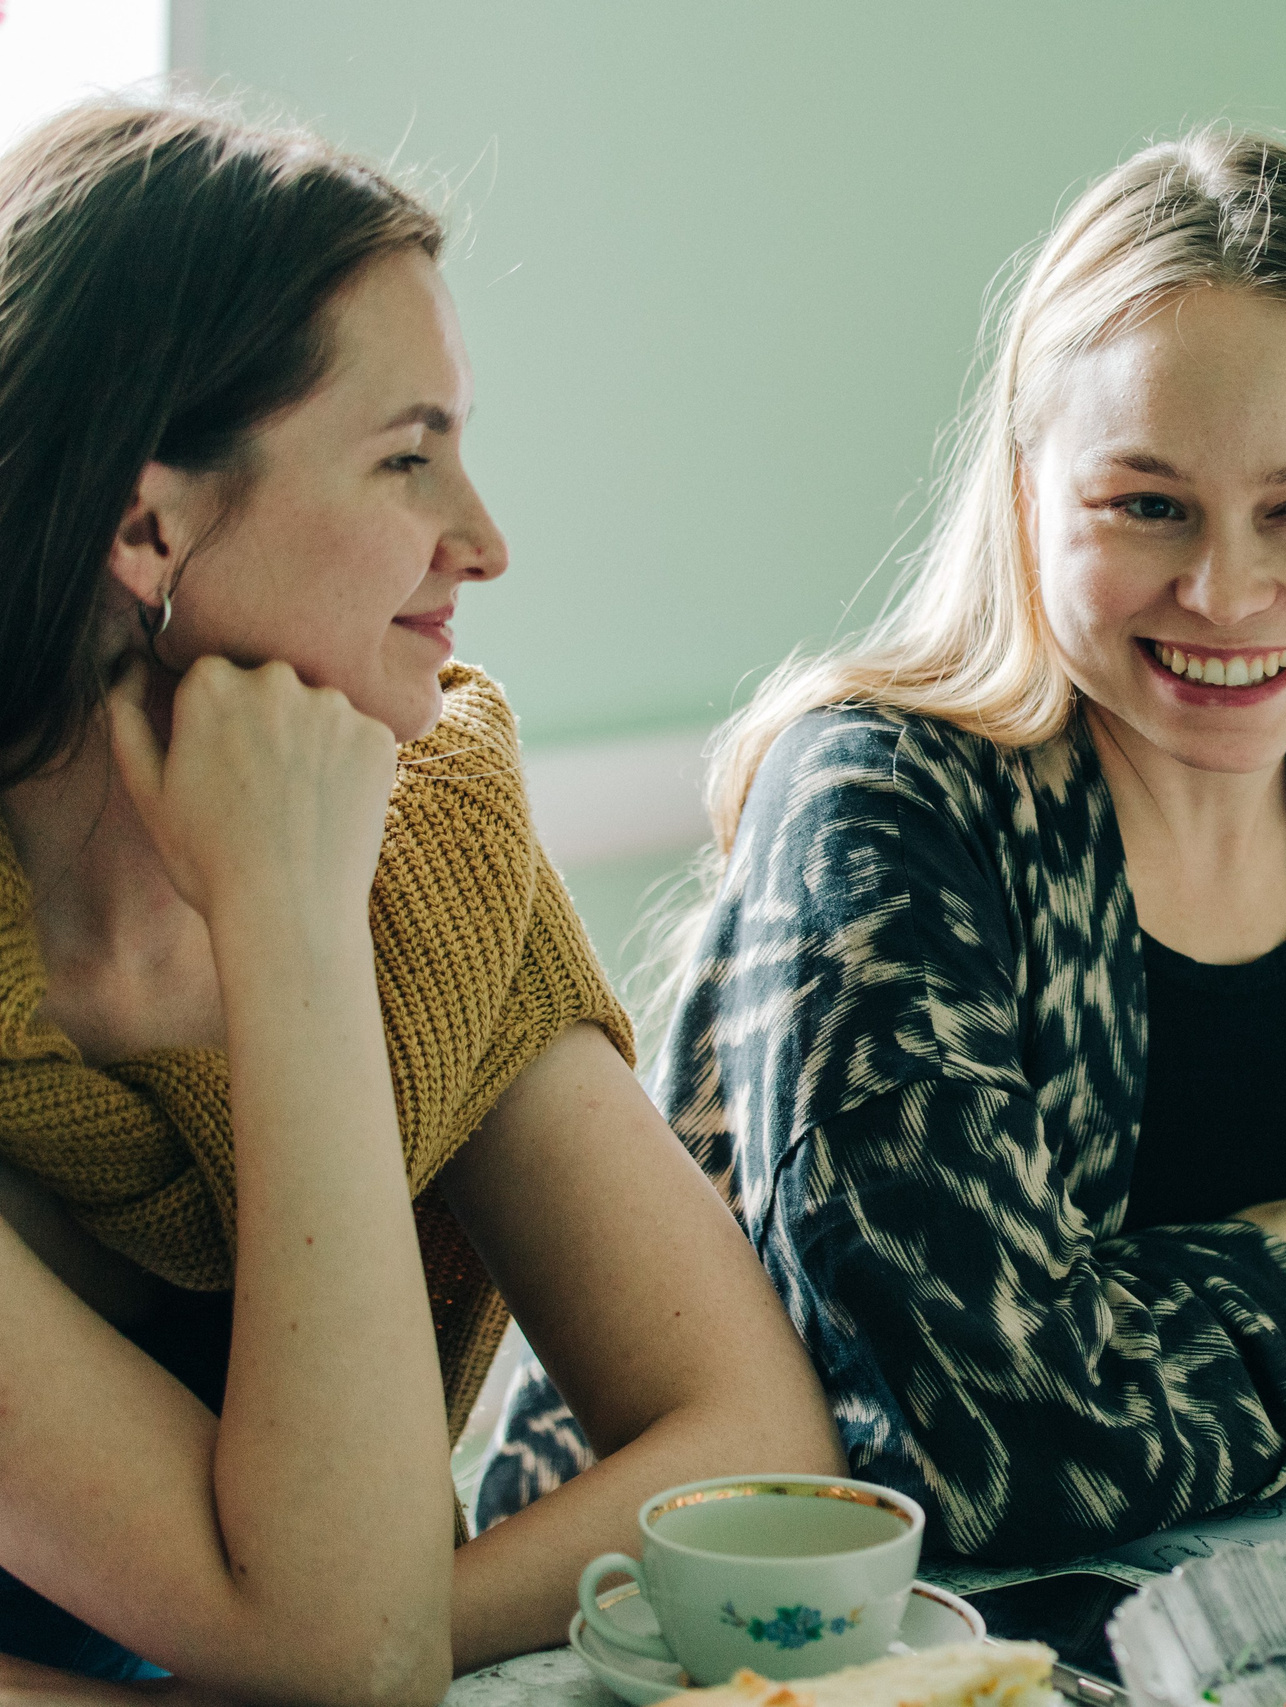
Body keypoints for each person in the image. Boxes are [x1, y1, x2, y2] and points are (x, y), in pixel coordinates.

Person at [489, 129, 1286, 1565]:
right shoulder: (882, 802)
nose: (1228, 589)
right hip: (741, 1639)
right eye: (1148, 505)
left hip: (1235, 1595)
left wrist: (1207, 1331)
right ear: (1025, 486)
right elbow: (981, 1446)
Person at [0, 102, 840, 1699]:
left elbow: (747, 1445)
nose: (485, 538)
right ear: (145, 522)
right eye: (408, 455)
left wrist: (294, 921)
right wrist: (320, 1637)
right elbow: (343, 1645)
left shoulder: (424, 841)